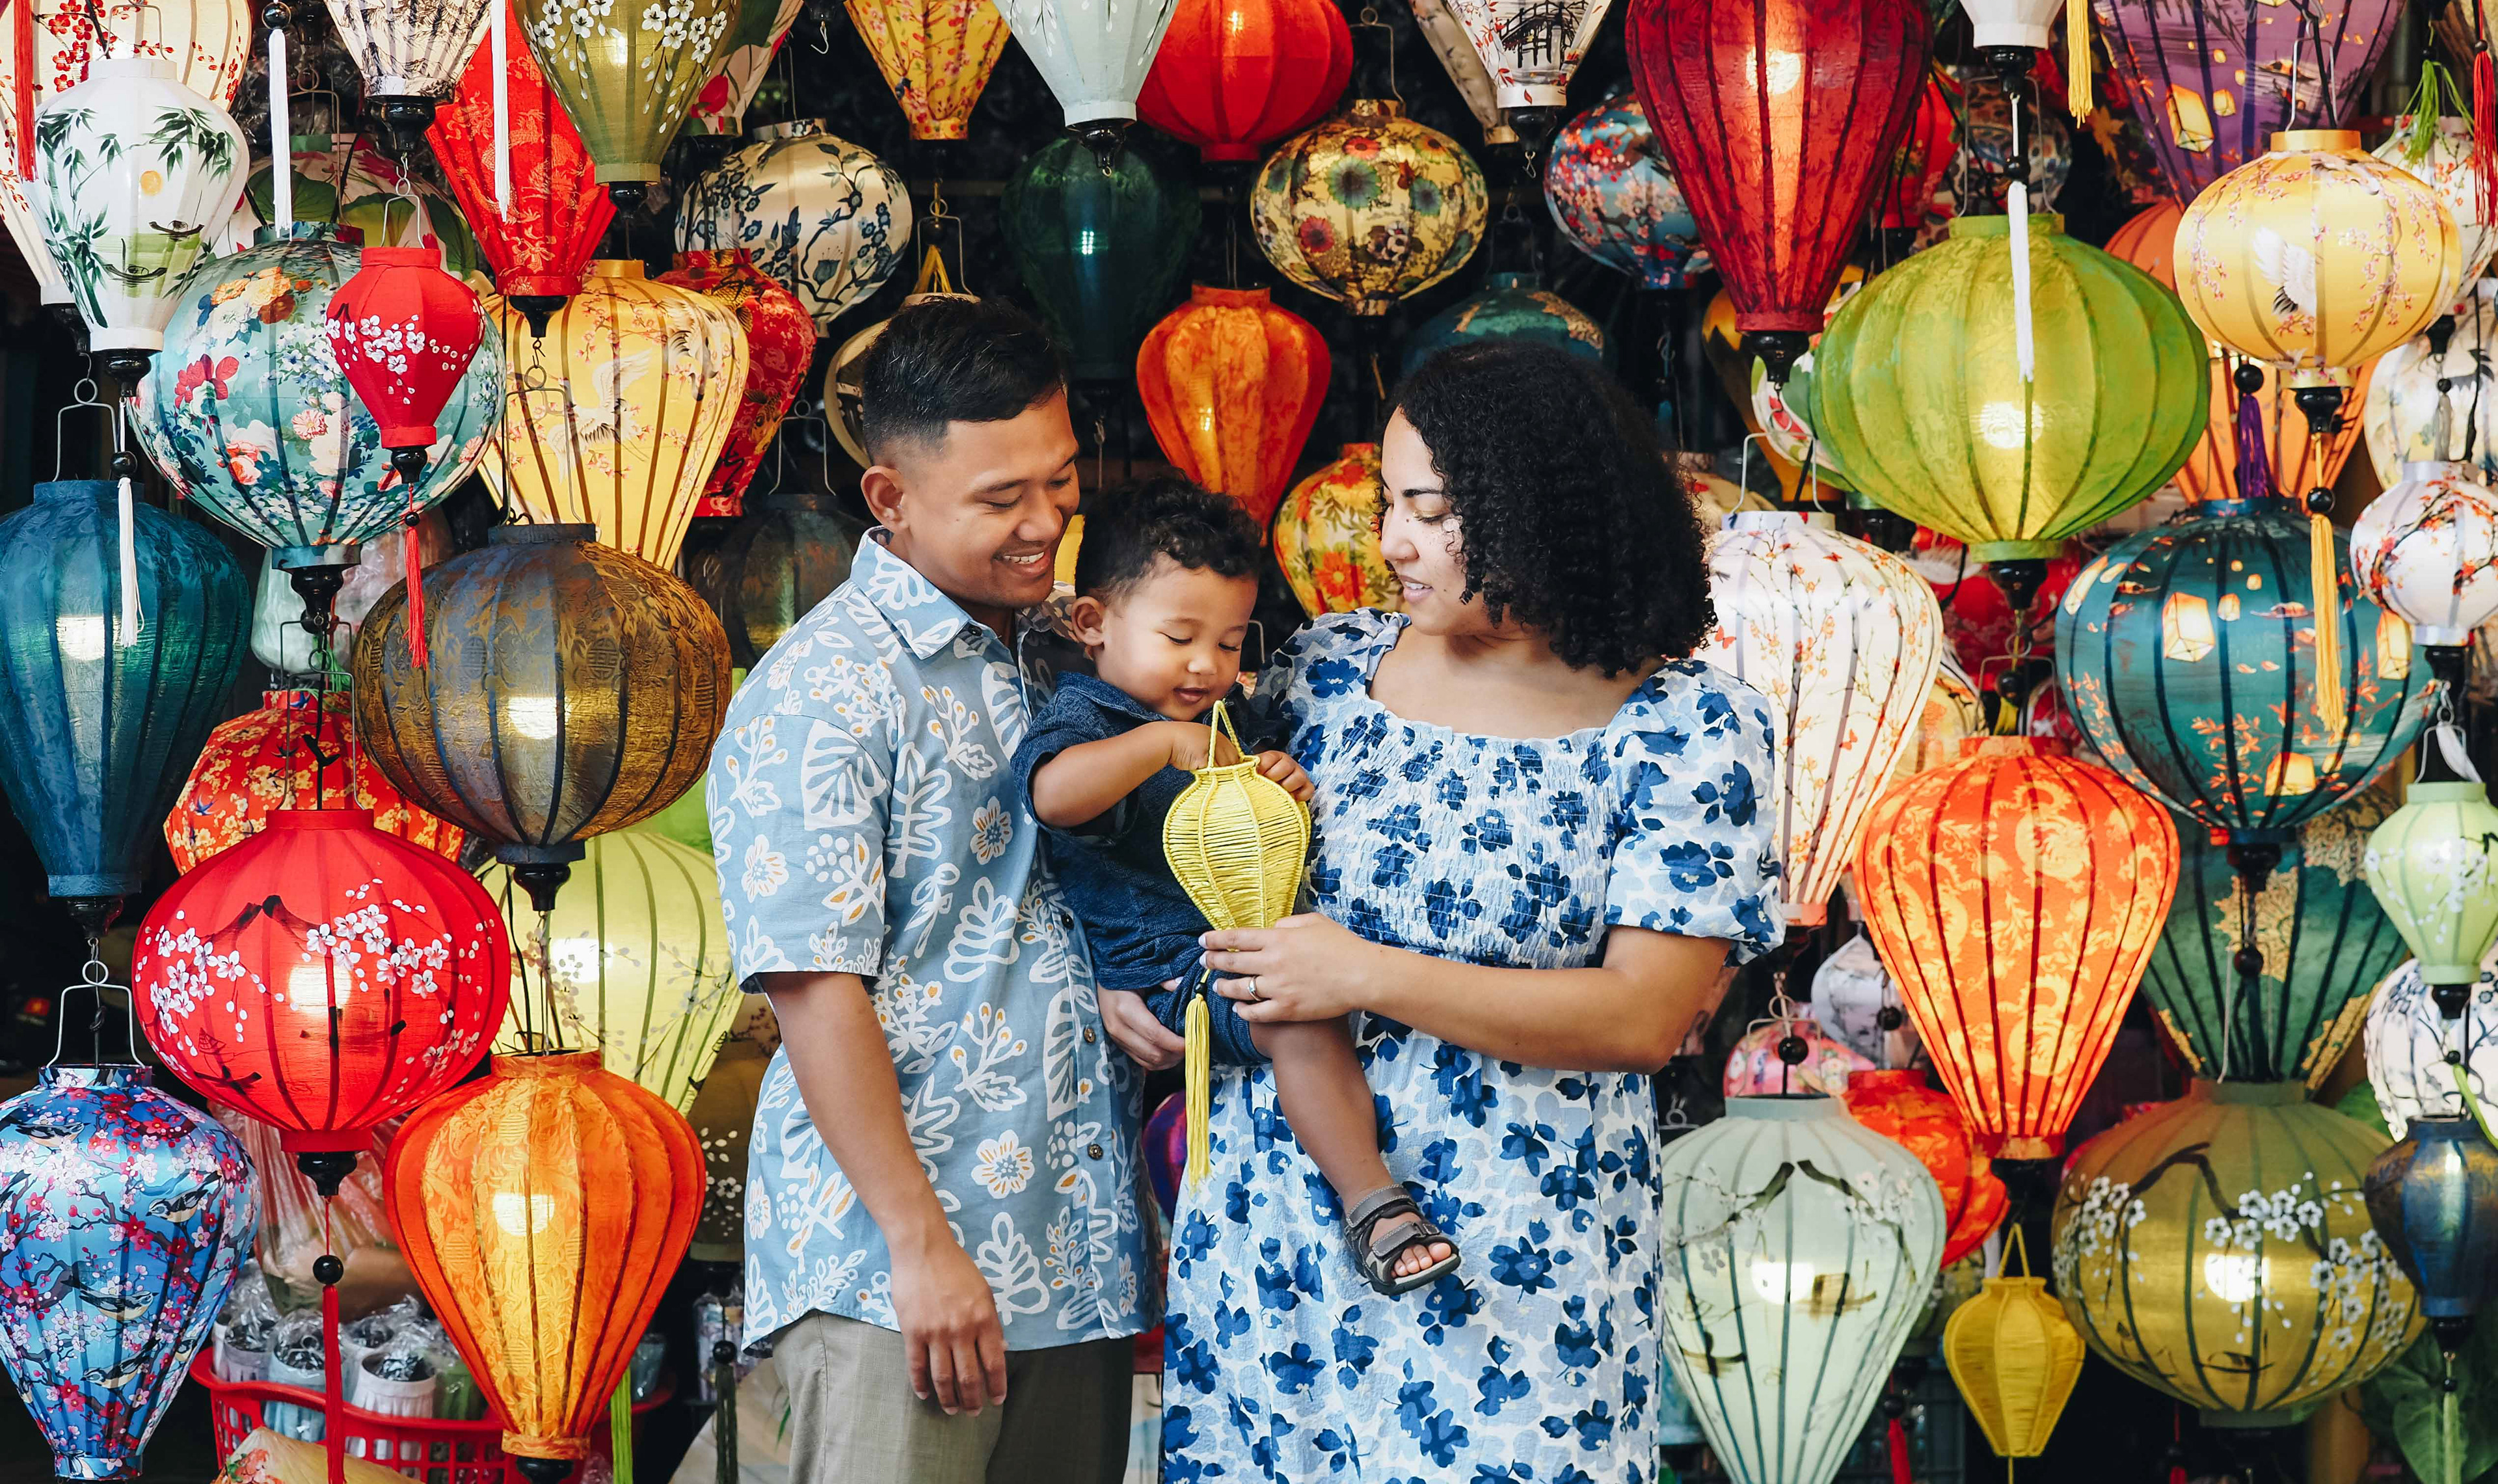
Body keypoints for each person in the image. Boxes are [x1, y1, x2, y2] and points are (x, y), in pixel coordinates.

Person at [1148, 343, 1783, 1482]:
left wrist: (1365, 973)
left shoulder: (1687, 726)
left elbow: (1644, 1017)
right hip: (1277, 1232)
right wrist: (1130, 976)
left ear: (1537, 513)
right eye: (1391, 505)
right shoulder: (1324, 671)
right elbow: (1173, 840)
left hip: (1523, 1253)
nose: (1393, 543)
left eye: (1434, 513)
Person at [707, 298, 1154, 1484]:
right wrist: (919, 1244)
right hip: (896, 1274)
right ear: (891, 498)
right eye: (1001, 499)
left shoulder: (1068, 650)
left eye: (1060, 480)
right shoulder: (825, 689)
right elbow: (815, 987)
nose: (1046, 522)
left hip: (1077, 1252)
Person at [1012, 477, 1461, 1297]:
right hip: (1169, 972)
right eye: (1179, 636)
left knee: (1301, 996)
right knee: (1296, 1014)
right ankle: (1374, 1201)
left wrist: (1277, 776)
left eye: (1227, 642)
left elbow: (1250, 799)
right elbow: (1052, 795)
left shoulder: (1228, 716)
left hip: (1233, 950)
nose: (1206, 665)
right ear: (1093, 623)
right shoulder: (1089, 719)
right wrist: (1161, 745)